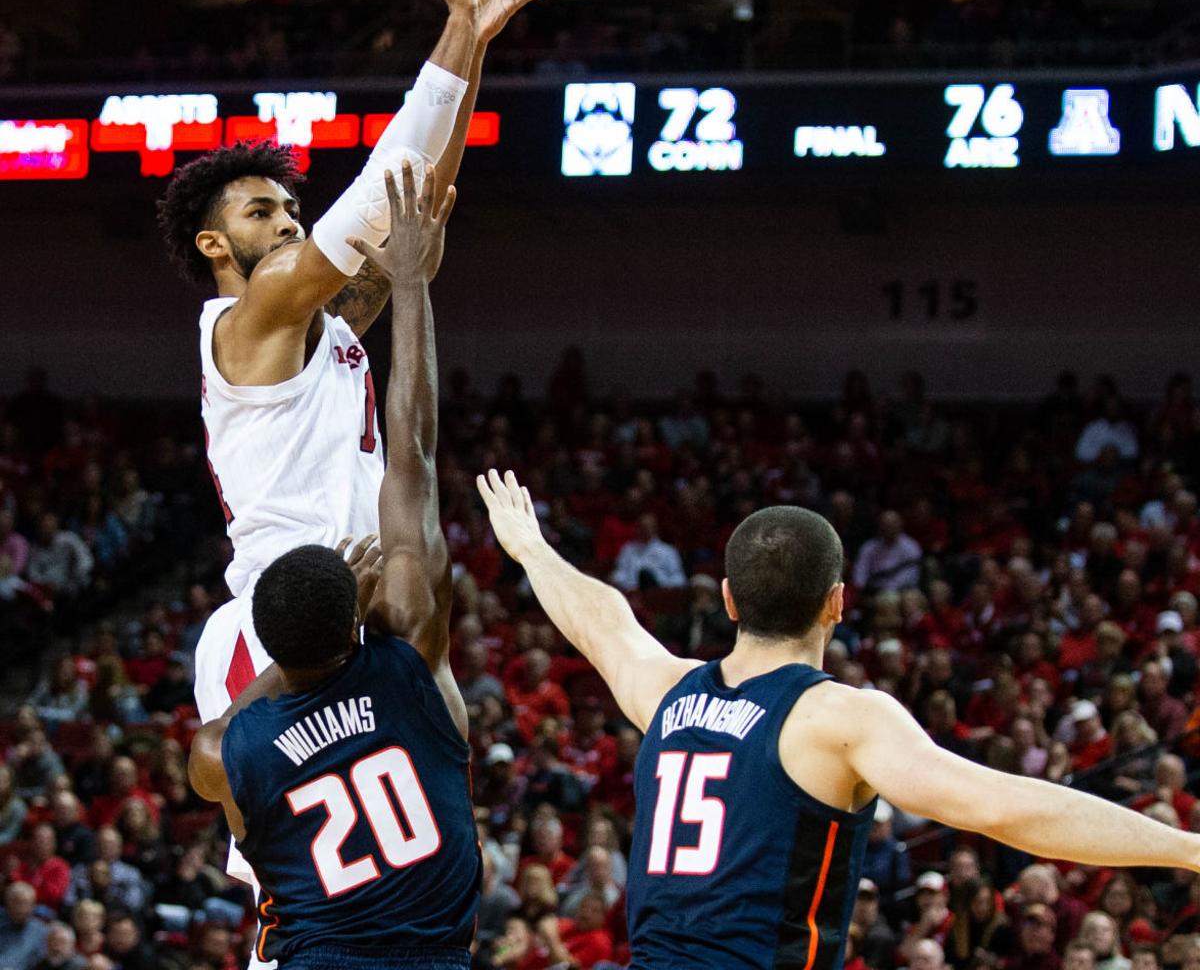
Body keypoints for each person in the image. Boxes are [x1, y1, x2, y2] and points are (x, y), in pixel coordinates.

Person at [475, 477, 1200, 970]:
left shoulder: (665, 692)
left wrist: (531, 548)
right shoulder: (836, 717)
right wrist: (1186, 848)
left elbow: (603, 621)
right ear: (837, 602)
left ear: (728, 599)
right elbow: (1005, 807)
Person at [188, 164, 480, 970]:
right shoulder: (413, 648)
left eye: (291, 209)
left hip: (302, 626)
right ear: (214, 243)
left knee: (277, 858)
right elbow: (413, 449)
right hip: (276, 601)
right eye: (263, 210)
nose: (289, 221)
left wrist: (407, 274)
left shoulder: (236, 738)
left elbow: (208, 750)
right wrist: (415, 282)